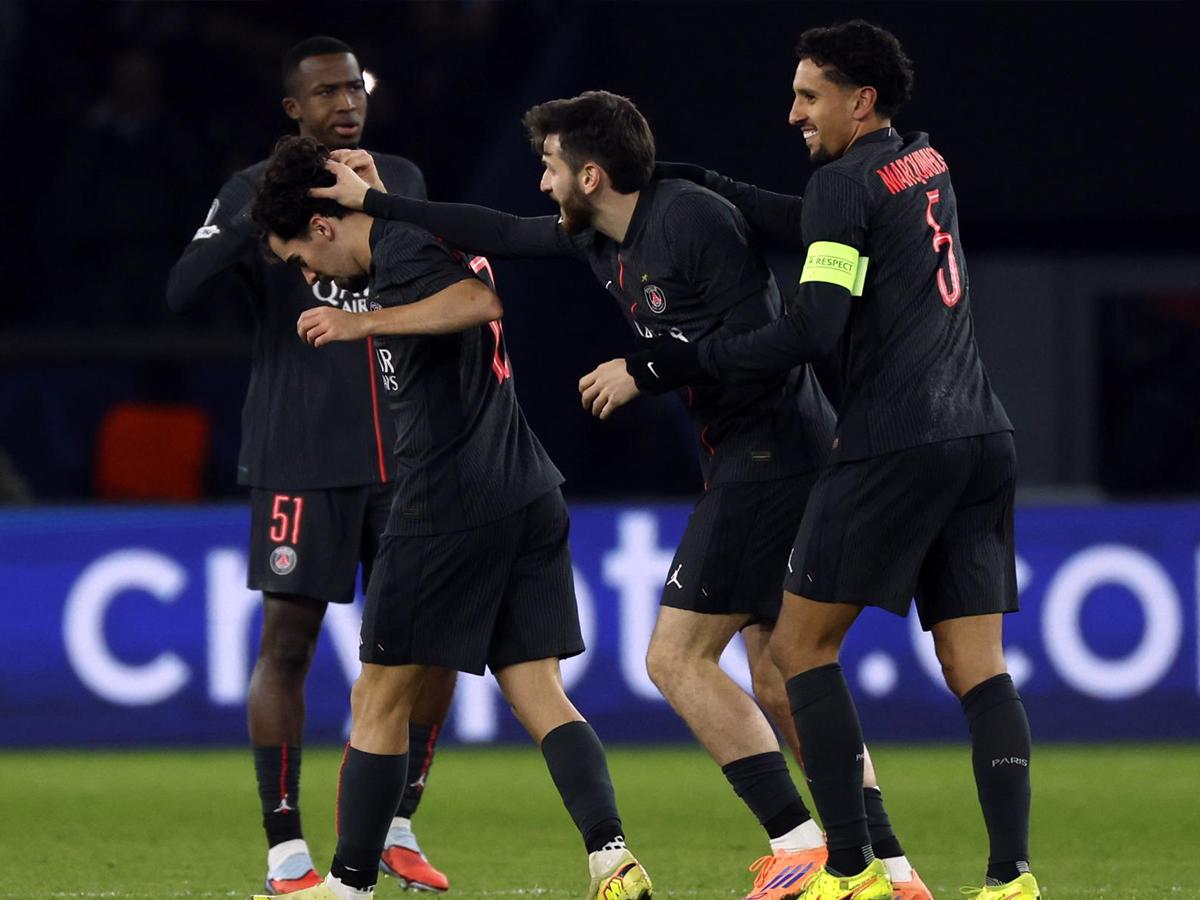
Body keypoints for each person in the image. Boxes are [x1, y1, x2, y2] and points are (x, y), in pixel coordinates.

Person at [310, 91, 930, 900]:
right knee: (781, 675)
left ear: (591, 173)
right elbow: (494, 232)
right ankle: (891, 867)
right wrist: (378, 199)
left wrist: (648, 367)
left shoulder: (692, 221)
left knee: (675, 659)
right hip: (752, 454)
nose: (541, 184)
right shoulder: (599, 234)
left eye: (550, 167)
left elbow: (768, 344)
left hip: (774, 451)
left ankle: (801, 845)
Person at [626, 20, 1038, 900]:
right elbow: (828, 225)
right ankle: (1011, 879)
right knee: (978, 666)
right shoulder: (920, 163)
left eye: (809, 96)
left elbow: (813, 327)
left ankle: (846, 870)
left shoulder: (844, 184)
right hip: (982, 436)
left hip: (896, 441)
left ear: (861, 100)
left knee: (796, 653)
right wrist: (717, 184)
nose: (793, 113)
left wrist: (684, 360)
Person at [248, 134, 653, 900]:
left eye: (301, 257)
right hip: (525, 488)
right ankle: (610, 855)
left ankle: (348, 883)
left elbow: (478, 302)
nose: (308, 279)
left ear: (325, 227)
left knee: (378, 698)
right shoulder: (415, 233)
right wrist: (367, 191)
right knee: (537, 691)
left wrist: (362, 325)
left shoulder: (400, 249)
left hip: (446, 500)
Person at [165, 36, 453, 895]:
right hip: (299, 452)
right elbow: (183, 289)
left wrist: (387, 204)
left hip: (405, 453)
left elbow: (437, 278)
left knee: (428, 645)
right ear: (294, 108)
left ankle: (397, 824)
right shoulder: (253, 189)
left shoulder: (398, 173)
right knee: (287, 645)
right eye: (326, 92)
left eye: (354, 87)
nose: (346, 102)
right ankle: (287, 850)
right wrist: (263, 207)